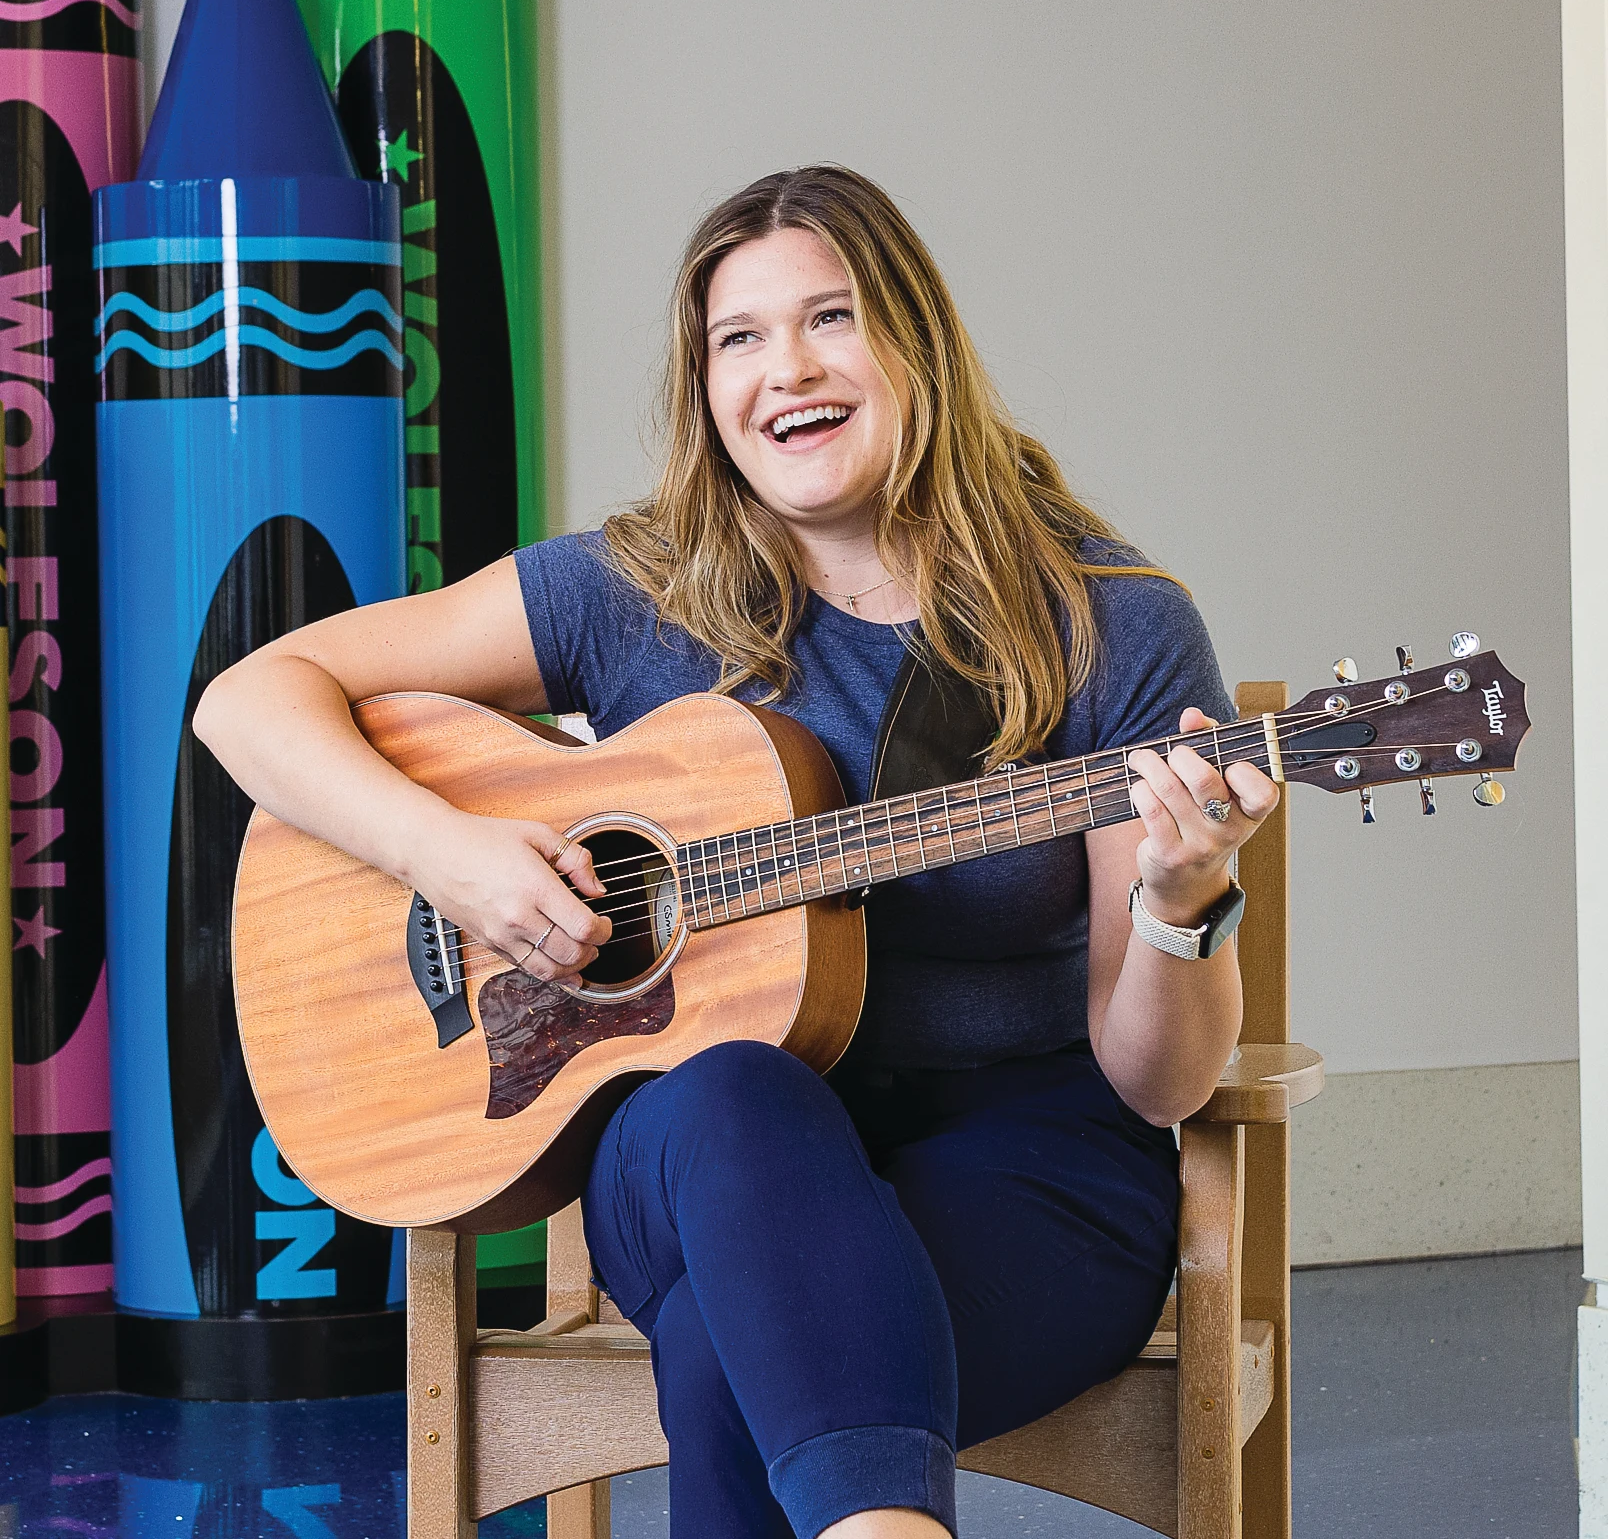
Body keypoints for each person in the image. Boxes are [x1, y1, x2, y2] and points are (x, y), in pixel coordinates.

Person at [196, 165, 1278, 1539]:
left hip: (1029, 1162)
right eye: (740, 338)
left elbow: (1162, 1078)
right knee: (738, 1100)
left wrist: (1186, 903)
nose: (789, 370)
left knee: (733, 1339)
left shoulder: (1108, 624)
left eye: (831, 318)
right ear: (705, 386)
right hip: (695, 1149)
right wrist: (453, 856)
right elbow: (252, 698)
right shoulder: (631, 593)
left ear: (914, 344)